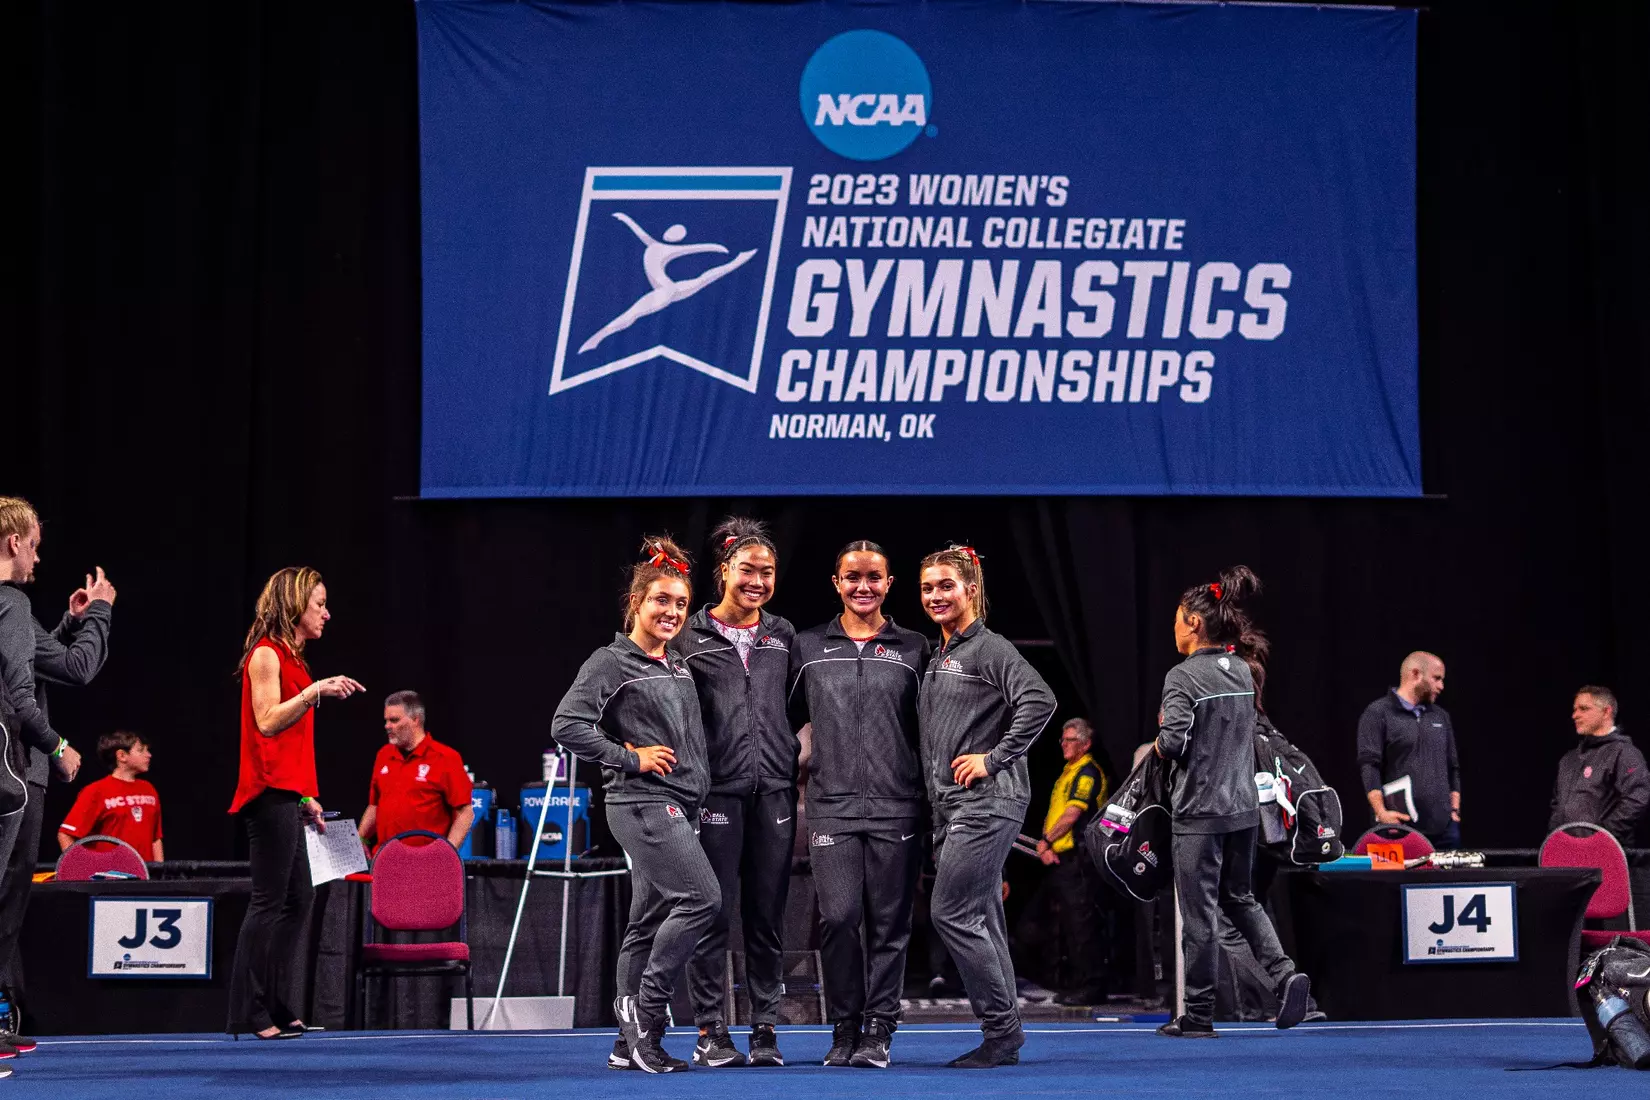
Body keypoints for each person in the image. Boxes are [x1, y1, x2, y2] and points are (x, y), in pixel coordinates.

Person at [554, 538, 716, 1073]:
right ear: (636, 602)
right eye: (661, 601)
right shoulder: (610, 661)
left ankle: (628, 1045)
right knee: (701, 899)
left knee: (646, 921)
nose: (671, 612)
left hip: (681, 806)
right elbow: (567, 724)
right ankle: (645, 1013)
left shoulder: (673, 662)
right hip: (643, 803)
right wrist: (629, 757)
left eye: (679, 604)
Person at [789, 539, 930, 1068]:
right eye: (852, 577)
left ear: (889, 584)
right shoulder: (808, 648)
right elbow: (777, 722)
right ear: (836, 583)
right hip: (832, 808)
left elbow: (931, 729)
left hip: (898, 807)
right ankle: (845, 1025)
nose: (863, 586)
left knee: (890, 923)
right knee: (841, 917)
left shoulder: (916, 648)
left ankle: (879, 1028)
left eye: (873, 577)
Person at [1154, 566, 1310, 1039]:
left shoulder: (1182, 676)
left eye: (1178, 619)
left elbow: (1175, 742)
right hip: (1244, 811)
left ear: (1195, 624)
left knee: (1199, 915)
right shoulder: (1241, 669)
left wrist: (1161, 739)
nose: (1174, 628)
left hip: (1200, 813)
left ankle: (1198, 1016)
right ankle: (1285, 976)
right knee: (1240, 899)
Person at [917, 544, 1055, 1068]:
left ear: (971, 590)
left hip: (988, 800)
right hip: (956, 807)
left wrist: (994, 759)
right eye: (928, 587)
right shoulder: (944, 653)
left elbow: (1040, 700)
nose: (935, 595)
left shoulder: (988, 648)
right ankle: (1005, 1033)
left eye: (946, 585)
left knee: (951, 911)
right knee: (981, 914)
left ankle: (1000, 1030)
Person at [670, 517, 797, 1069]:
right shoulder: (687, 635)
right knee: (712, 912)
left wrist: (796, 752)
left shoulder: (784, 635)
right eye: (747, 569)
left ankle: (764, 1028)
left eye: (767, 572)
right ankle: (710, 1029)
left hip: (773, 793)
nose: (758, 580)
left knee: (766, 915)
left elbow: (799, 707)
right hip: (714, 794)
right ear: (724, 571)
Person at [226, 567, 365, 1041]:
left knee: (299, 898)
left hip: (287, 795)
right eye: (319, 604)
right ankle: (248, 1009)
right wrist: (314, 692)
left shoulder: (296, 660)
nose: (327, 613)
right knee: (268, 903)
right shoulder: (267, 655)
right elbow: (266, 723)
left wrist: (306, 796)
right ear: (294, 605)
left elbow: (288, 746)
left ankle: (275, 1000)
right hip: (265, 796)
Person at [0, 496, 104, 1061]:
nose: (37, 558)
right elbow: (36, 685)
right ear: (14, 542)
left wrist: (71, 622)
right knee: (7, 900)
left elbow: (44, 658)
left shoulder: (9, 609)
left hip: (8, 769)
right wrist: (60, 746)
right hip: (17, 774)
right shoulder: (11, 602)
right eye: (34, 546)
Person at [1036, 718, 1109, 1006]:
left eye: (1070, 740)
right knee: (1070, 924)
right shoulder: (1069, 772)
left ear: (1086, 743)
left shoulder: (1087, 772)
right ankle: (1078, 982)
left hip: (1080, 859)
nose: (1063, 745)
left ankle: (1092, 986)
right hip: (1063, 858)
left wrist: (1047, 840)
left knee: (1083, 924)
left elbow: (1072, 814)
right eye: (1063, 740)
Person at [1357, 651, 1461, 848]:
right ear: (1415, 674)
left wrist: (1454, 811)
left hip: (1444, 831)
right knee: (1399, 880)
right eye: (1437, 678)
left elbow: (1453, 767)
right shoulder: (1378, 713)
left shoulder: (1440, 717)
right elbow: (1369, 766)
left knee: (1448, 879)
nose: (1441, 686)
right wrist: (1381, 813)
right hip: (1397, 828)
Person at [358, 692, 474, 854]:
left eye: (394, 720)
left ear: (415, 720)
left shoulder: (445, 758)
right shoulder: (383, 755)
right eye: (386, 720)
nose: (387, 726)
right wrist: (361, 838)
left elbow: (465, 813)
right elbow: (374, 805)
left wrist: (447, 854)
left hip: (426, 859)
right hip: (386, 858)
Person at [1549, 686, 1647, 845]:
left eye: (1584, 709)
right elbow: (1556, 806)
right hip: (1566, 855)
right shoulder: (1569, 760)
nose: (1575, 715)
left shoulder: (1624, 753)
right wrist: (1554, 840)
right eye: (1574, 710)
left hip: (1604, 855)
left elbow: (1636, 799)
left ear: (1606, 712)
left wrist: (1601, 839)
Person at [57, 731, 162, 861]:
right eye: (141, 750)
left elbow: (155, 839)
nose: (149, 755)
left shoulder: (149, 789)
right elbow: (66, 834)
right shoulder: (96, 791)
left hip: (145, 876)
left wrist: (159, 873)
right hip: (110, 877)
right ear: (122, 755)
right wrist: (81, 871)